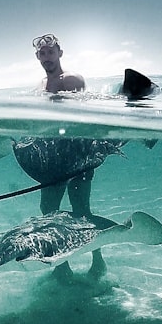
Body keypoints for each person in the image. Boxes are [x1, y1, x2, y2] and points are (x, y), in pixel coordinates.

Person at [31, 33, 107, 280]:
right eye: (42, 54)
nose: (47, 58)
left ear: (60, 53)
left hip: (77, 155)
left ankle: (98, 260)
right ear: (37, 57)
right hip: (52, 158)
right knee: (48, 209)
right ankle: (61, 265)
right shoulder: (40, 86)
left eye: (51, 52)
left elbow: (82, 114)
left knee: (81, 208)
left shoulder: (71, 80)